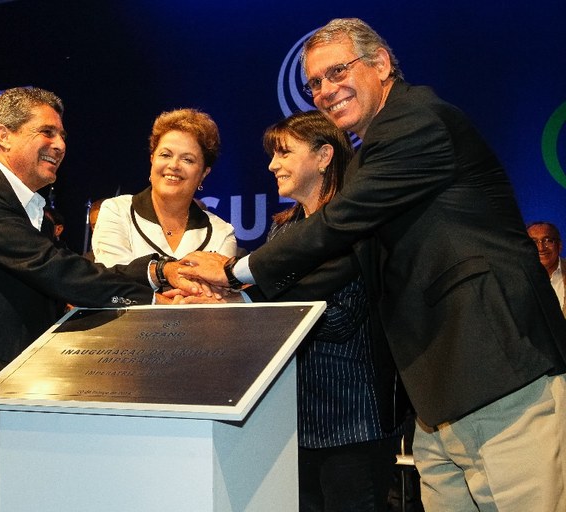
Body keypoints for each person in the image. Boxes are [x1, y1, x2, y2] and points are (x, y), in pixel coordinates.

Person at [177, 18, 566, 511]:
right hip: (436, 398)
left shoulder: (417, 118)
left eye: (337, 71)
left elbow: (340, 224)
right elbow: (344, 264)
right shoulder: (368, 158)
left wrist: (235, 271)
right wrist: (240, 296)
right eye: (314, 82)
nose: (324, 90)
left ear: (381, 63)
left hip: (499, 370)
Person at [0, 86, 189, 512]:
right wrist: (155, 274)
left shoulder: (34, 211)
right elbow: (56, 271)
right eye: (46, 132)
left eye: (63, 135)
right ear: (4, 135)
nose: (60, 145)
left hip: (6, 418)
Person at [257, 110, 404, 511]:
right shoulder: (282, 230)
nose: (273, 164)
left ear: (323, 157)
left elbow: (339, 319)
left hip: (353, 422)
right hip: (292, 424)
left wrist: (261, 304)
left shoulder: (354, 225)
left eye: (284, 153)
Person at [92, 108, 237, 269]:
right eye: (165, 155)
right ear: (152, 160)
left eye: (187, 159)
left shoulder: (221, 233)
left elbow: (215, 292)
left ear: (204, 173)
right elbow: (114, 282)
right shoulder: (117, 211)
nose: (174, 165)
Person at [527, 221, 565, 316]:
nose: (541, 248)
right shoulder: (514, 278)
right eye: (533, 242)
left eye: (547, 240)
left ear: (559, 245)